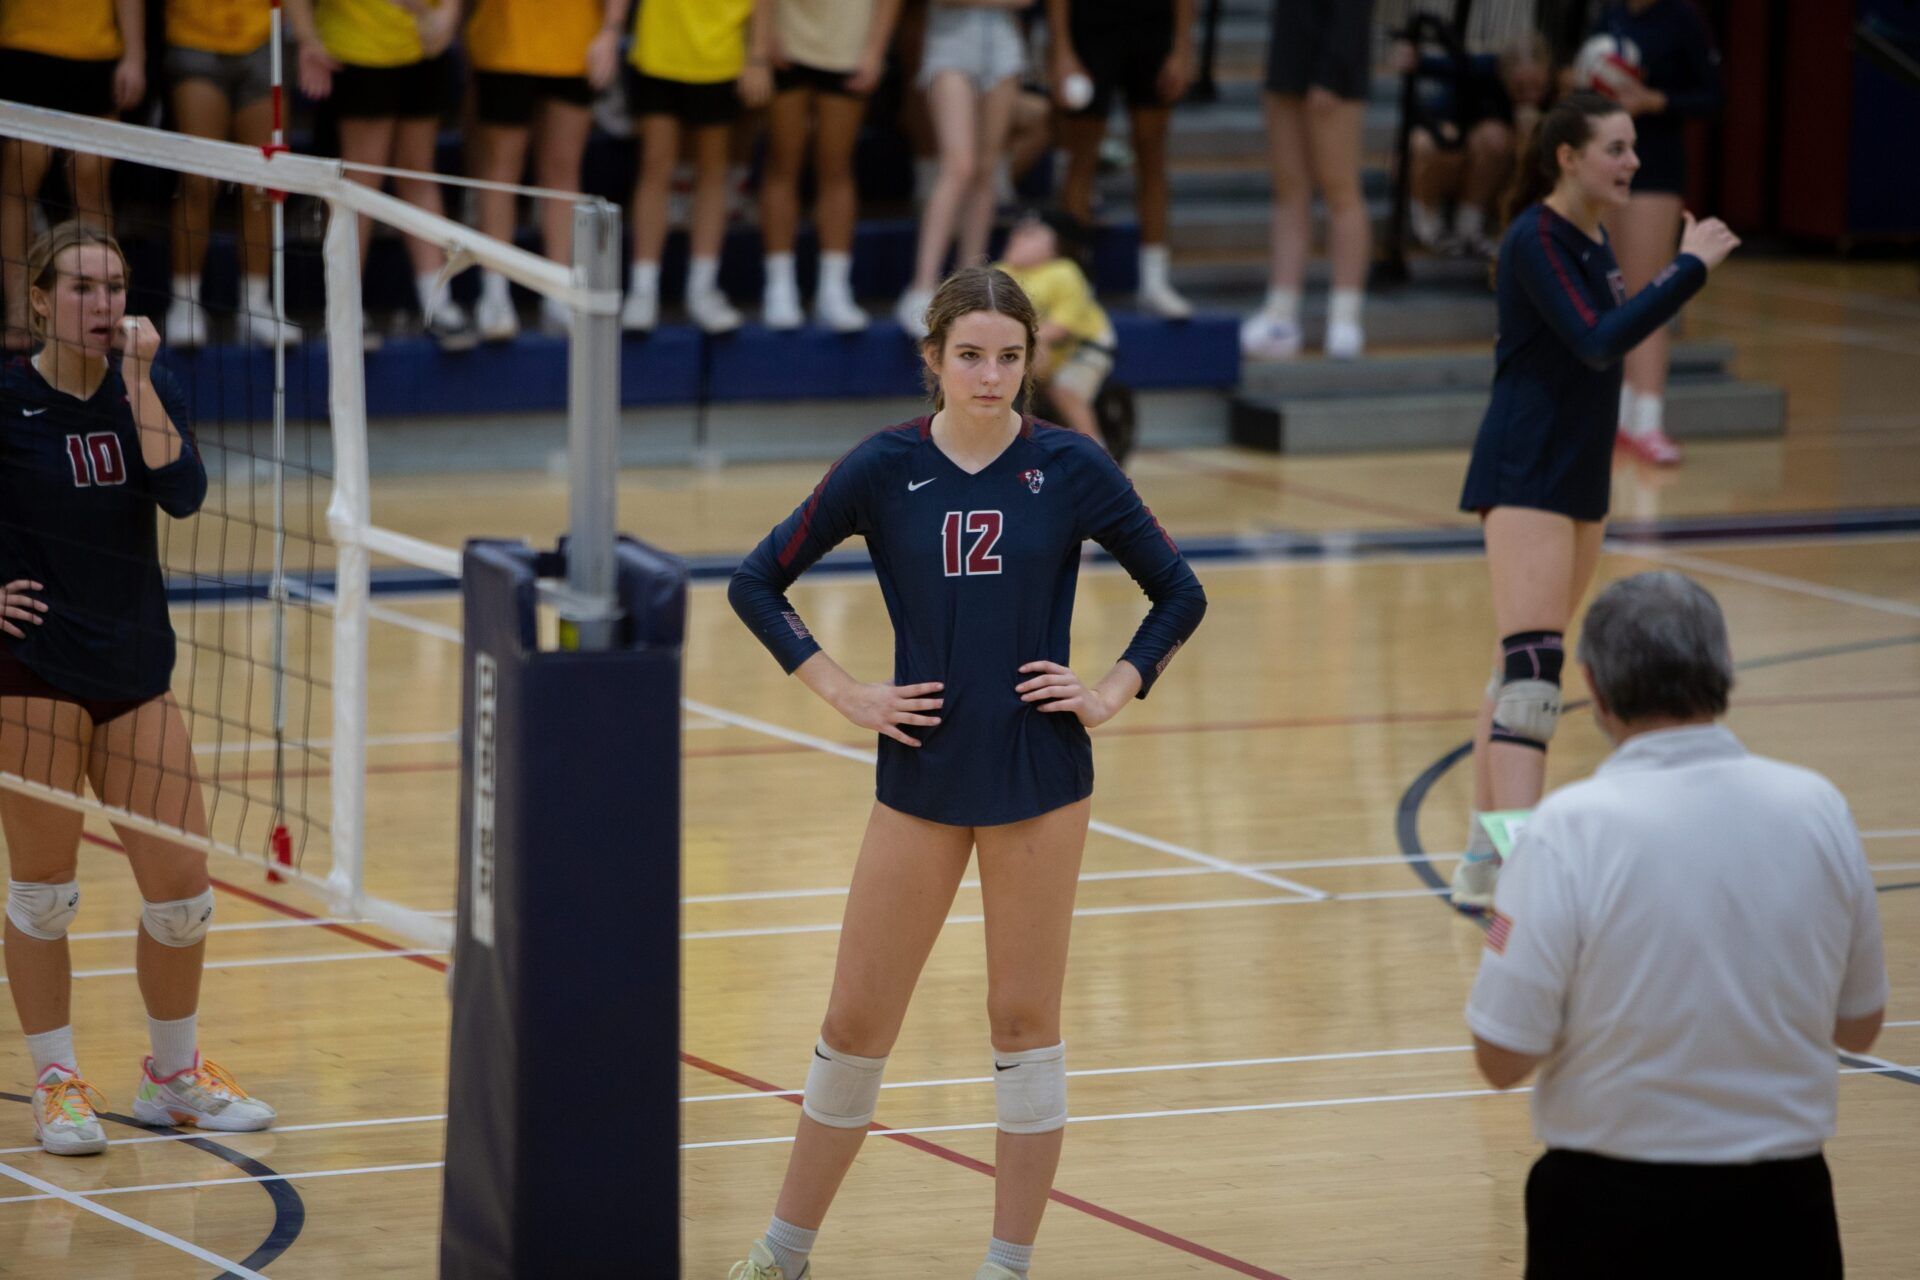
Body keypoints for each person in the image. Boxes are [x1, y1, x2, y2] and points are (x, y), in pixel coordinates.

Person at [725, 265, 1205, 1280]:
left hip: (1039, 773)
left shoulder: (1070, 465)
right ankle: (783, 1248)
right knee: (856, 1020)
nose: (991, 377)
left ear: (1031, 363)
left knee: (1023, 1023)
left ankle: (1006, 1262)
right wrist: (848, 690)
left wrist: (1114, 686)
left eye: (1011, 357)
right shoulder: (882, 466)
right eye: (972, 356)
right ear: (934, 359)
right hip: (922, 773)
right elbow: (756, 580)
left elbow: (1178, 591)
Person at [1466, 571, 1887, 1280]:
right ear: (1723, 669)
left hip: (1608, 1214)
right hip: (1786, 1210)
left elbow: (1501, 1058)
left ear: (1594, 688)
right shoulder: (1818, 808)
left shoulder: (1567, 831)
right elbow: (1860, 1026)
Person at [0, 222, 276, 1158]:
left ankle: (172, 1076)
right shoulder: (3, 398)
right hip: (31, 670)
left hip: (134, 666)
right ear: (38, 298)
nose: (103, 304)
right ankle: (56, 1079)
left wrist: (141, 379)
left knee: (182, 891)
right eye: (81, 287)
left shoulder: (143, 393)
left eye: (114, 287)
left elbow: (185, 493)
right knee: (43, 894)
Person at [1449, 92, 1738, 911]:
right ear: (1567, 157)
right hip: (1526, 470)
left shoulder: (1592, 238)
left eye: (1633, 147)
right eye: (1615, 148)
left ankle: (1482, 855)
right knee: (1534, 677)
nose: (1632, 163)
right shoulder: (1535, 238)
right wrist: (1688, 268)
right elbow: (1598, 339)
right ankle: (1516, 861)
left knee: (1517, 667)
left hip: (1577, 474)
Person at [286, 0, 477, 350]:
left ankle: (437, 302)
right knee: (360, 182)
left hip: (422, 49)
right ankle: (345, 308)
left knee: (418, 171)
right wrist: (307, 37)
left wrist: (447, 13)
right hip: (358, 49)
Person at [1586, 0, 1722, 466]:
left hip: (1656, 167)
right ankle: (1615, 417)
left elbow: (1711, 97)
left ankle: (1648, 419)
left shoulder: (1681, 19)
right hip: (1604, 163)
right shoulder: (1609, 15)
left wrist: (1653, 101)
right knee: (1610, 290)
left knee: (1646, 291)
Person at [465, 0, 626, 341]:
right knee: (500, 171)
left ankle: (558, 291)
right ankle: (495, 293)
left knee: (563, 170)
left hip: (576, 42)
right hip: (504, 42)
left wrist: (612, 29)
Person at [617, 0, 770, 335]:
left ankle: (702, 286)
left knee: (713, 171)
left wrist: (758, 54)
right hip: (657, 51)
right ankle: (643, 288)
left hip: (721, 53)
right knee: (654, 165)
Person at [0, 0, 145, 350]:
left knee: (90, 184)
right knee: (20, 181)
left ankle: (102, 314)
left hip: (94, 54)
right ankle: (21, 314)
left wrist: (135, 57)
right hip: (26, 48)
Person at [162, 0, 306, 349]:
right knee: (198, 182)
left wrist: (306, 37)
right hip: (193, 38)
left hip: (262, 41)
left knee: (263, 183)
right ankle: (185, 304)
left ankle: (256, 305)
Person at [1240, 0, 1375, 361]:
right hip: (1288, 60)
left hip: (1336, 69)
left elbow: (1354, 11)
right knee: (1289, 191)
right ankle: (1280, 312)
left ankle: (1345, 315)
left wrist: (1332, 73)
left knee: (1340, 190)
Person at [757, 0, 901, 332]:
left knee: (836, 167)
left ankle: (834, 287)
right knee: (782, 163)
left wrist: (875, 51)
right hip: (786, 38)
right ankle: (779, 284)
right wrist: (765, 38)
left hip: (848, 42)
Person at [893, 0, 1034, 339]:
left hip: (1003, 49)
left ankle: (971, 287)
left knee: (987, 171)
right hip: (950, 48)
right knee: (959, 167)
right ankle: (922, 287)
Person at [1047, 0, 1196, 319]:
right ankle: (1077, 284)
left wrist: (1183, 47)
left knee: (1153, 155)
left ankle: (1154, 281)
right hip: (1090, 24)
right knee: (1081, 159)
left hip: (1154, 25)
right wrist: (1060, 48)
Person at [1403, 31, 1552, 258]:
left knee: (1503, 140)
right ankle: (1428, 221)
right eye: (1521, 87)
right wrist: (1414, 58)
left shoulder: (1556, 95)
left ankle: (1469, 226)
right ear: (1504, 74)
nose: (1530, 95)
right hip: (1449, 160)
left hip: (1496, 179)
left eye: (1537, 87)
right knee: (1442, 139)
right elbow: (1441, 67)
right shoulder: (1482, 72)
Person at [995, 210, 1113, 447]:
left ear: (1057, 244)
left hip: (1084, 347)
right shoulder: (1001, 272)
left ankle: (1099, 455)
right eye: (1017, 231)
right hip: (1035, 350)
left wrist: (1020, 339)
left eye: (1030, 234)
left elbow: (1062, 328)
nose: (1018, 236)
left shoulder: (1063, 273)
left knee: (1065, 391)